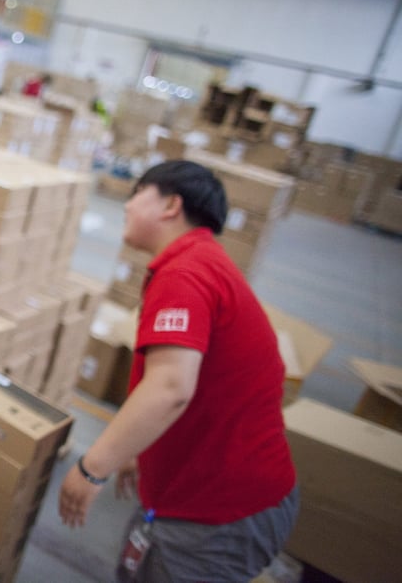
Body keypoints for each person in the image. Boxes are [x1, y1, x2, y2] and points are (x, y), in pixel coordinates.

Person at [58, 160, 298, 582]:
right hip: (201, 494)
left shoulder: (185, 274)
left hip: (217, 511)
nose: (128, 205)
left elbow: (171, 387)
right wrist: (139, 447)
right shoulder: (203, 262)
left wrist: (92, 467)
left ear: (170, 205)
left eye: (137, 194)